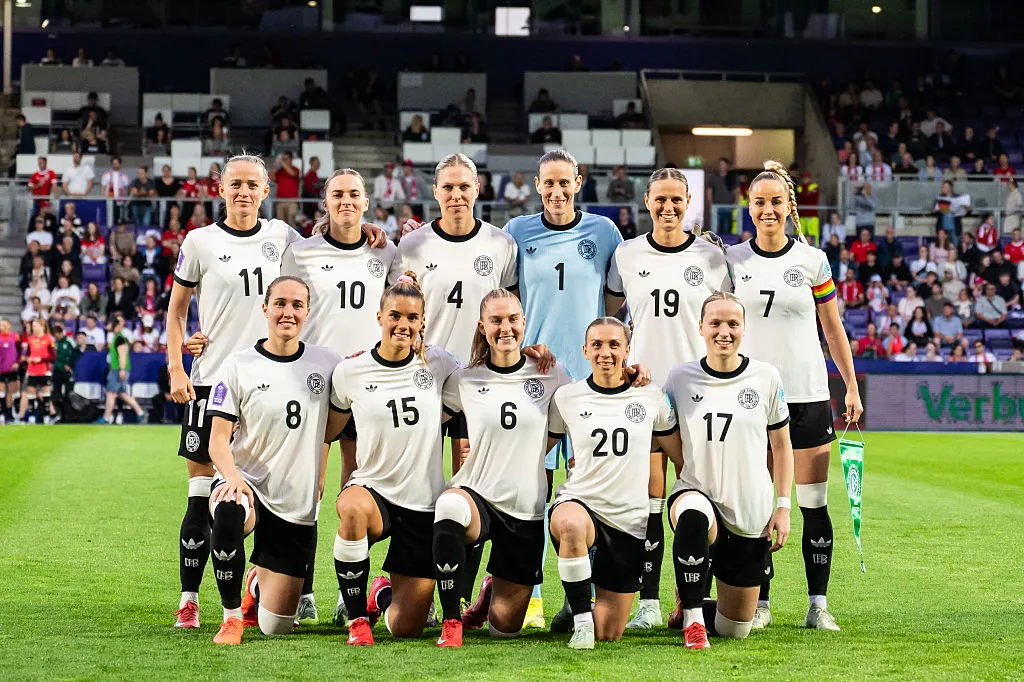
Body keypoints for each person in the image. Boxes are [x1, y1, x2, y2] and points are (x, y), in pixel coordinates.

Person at [166, 153, 302, 630]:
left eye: (252, 185)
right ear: (219, 189)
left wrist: (375, 236)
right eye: (234, 184)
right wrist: (177, 364)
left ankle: (269, 584)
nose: (243, 192)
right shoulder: (200, 241)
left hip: (267, 386)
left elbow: (329, 255)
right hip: (209, 382)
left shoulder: (283, 238)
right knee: (201, 495)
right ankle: (189, 599)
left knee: (262, 494)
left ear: (266, 192)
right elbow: (177, 309)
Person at [726, 160, 862, 631]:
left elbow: (832, 326)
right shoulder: (731, 261)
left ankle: (817, 604)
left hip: (806, 393)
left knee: (813, 502)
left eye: (775, 202)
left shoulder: (813, 260)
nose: (767, 210)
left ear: (789, 207)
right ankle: (761, 601)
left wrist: (849, 382)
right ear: (749, 207)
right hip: (753, 398)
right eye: (759, 202)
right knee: (762, 503)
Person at [604, 168, 731, 629]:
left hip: (696, 391)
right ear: (646, 200)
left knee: (698, 493)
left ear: (689, 202)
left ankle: (690, 597)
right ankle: (649, 603)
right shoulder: (626, 253)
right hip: (643, 389)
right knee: (647, 501)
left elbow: (726, 318)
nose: (668, 207)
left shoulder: (711, 257)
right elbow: (611, 312)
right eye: (660, 199)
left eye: (677, 199)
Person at [280, 169, 399, 622]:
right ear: (324, 202)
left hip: (365, 382)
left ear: (366, 202)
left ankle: (350, 592)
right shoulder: (302, 252)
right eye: (337, 195)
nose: (346, 202)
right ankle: (305, 589)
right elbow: (285, 309)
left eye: (354, 195)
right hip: (313, 382)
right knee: (307, 488)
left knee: (359, 488)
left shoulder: (384, 250)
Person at [204, 276, 341, 645]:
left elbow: (349, 404)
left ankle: (254, 581)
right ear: (265, 308)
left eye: (297, 305)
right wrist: (231, 476)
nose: (288, 312)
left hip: (294, 500)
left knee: (276, 625)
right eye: (280, 303)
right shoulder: (238, 365)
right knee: (230, 509)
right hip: (245, 480)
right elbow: (217, 440)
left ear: (308, 312)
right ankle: (230, 616)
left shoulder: (328, 363)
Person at [432, 290, 572, 646]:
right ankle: (451, 621)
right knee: (449, 506)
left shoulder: (552, 374)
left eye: (512, 319)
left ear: (524, 322)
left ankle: (489, 591)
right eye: (495, 321)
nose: (505, 328)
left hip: (524, 509)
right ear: (482, 326)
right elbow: (424, 408)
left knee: (503, 629)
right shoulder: (465, 378)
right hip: (476, 494)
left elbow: (570, 423)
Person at [328, 273, 460, 646]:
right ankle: (356, 620)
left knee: (407, 628)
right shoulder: (350, 371)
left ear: (422, 323)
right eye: (395, 316)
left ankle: (381, 595)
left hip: (423, 504)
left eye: (412, 318)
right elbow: (329, 430)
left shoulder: (438, 362)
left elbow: (484, 376)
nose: (403, 325)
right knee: (350, 508)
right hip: (374, 491)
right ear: (380, 317)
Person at [663, 292, 793, 648]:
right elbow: (659, 432)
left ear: (744, 329)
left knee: (736, 628)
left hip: (749, 512)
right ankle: (693, 621)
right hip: (697, 491)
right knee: (691, 516)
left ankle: (694, 606)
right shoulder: (679, 378)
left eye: (732, 324)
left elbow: (782, 446)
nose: (724, 331)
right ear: (700, 327)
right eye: (715, 323)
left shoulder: (766, 377)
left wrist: (783, 506)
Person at [547, 317, 682, 649]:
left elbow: (679, 455)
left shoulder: (651, 396)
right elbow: (539, 449)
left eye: (613, 345)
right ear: (584, 350)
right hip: (580, 504)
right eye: (596, 345)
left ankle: (574, 601)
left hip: (627, 522)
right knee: (572, 525)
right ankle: (581, 621)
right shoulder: (567, 397)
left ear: (627, 349)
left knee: (609, 631)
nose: (605, 352)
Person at [95, 315, 146, 425]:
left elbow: (122, 355)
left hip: (117, 369)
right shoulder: (118, 337)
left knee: (111, 393)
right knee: (122, 394)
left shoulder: (119, 338)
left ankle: (106, 418)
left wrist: (122, 370)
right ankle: (140, 412)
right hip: (118, 369)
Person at [15, 318, 56, 424]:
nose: (34, 328)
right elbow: (28, 353)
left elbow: (53, 356)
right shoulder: (30, 339)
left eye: (36, 326)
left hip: (44, 370)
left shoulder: (49, 339)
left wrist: (41, 359)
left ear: (42, 326)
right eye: (33, 326)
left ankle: (48, 417)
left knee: (45, 394)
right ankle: (32, 418)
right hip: (32, 370)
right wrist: (27, 359)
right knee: (31, 394)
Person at [0, 318, 22, 424]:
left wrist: (17, 362)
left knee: (10, 393)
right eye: (0, 325)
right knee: (1, 393)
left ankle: (9, 414)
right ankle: (2, 413)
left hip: (12, 369)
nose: (1, 327)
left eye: (3, 325)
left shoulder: (15, 336)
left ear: (8, 326)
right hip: (1, 369)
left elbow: (20, 350)